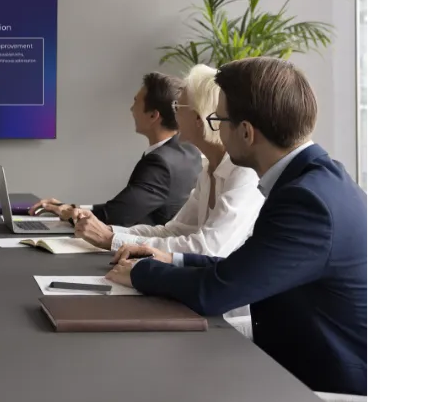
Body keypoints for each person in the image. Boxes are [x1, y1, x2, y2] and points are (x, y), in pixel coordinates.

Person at [105, 57, 369, 396]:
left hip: (315, 381)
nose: (217, 130)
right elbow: (245, 267)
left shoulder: (306, 201)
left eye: (220, 120)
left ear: (246, 132)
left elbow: (216, 292)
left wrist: (141, 273)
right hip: (291, 347)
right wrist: (170, 260)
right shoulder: (317, 179)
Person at [71, 64, 263, 256]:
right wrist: (111, 233)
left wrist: (109, 240)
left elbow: (208, 249)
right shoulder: (209, 170)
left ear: (199, 118)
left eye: (178, 106)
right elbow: (172, 231)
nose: (173, 114)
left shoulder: (244, 174)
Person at [31, 72, 202, 227]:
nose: (131, 109)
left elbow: (114, 217)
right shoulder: (189, 151)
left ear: (153, 115)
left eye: (136, 102)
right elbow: (120, 208)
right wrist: (69, 207)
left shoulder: (160, 163)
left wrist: (66, 211)